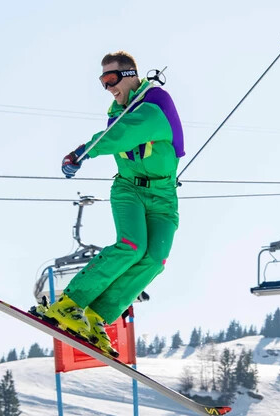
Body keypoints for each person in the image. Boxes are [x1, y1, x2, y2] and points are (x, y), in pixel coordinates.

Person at [40, 51, 185, 357]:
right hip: (129, 190)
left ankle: (97, 316)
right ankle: (70, 303)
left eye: (111, 79)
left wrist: (83, 151)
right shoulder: (118, 111)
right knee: (132, 246)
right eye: (102, 82)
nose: (108, 88)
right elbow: (117, 132)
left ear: (132, 74)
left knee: (155, 258)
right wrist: (86, 150)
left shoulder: (155, 104)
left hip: (163, 196)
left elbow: (125, 133)